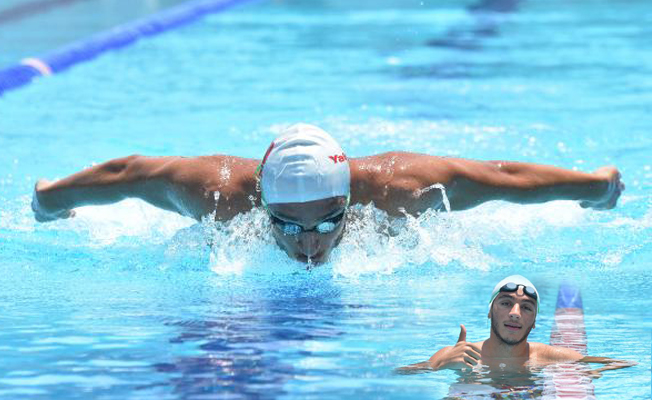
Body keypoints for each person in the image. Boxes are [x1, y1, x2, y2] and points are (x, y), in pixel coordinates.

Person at [32, 123, 624, 263]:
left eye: (324, 224)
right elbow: (131, 171)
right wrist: (52, 199)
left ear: (350, 202)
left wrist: (594, 189)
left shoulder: (402, 191)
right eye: (286, 226)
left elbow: (505, 180)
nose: (307, 246)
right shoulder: (218, 195)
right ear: (261, 204)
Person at [396, 275, 636, 377]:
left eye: (526, 308)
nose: (515, 314)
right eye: (506, 303)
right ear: (490, 311)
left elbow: (625, 363)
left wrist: (593, 373)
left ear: (534, 323)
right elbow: (398, 374)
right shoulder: (459, 354)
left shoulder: (548, 357)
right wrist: (440, 364)